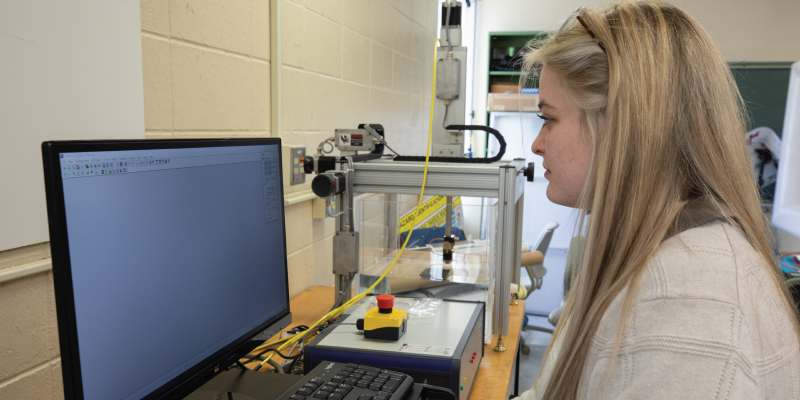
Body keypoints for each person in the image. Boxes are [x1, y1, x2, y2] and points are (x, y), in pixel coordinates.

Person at [518, 2, 800, 399]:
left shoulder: (688, 300)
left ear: (620, 124)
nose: (536, 144)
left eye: (548, 118)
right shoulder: (648, 250)